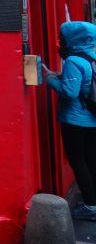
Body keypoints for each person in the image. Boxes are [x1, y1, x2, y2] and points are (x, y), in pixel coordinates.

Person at [45, 21, 96, 220]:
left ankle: (91, 206)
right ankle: (93, 200)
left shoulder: (74, 60)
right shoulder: (92, 56)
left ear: (73, 39)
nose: (60, 41)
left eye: (62, 37)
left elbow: (69, 92)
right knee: (91, 160)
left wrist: (50, 79)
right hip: (92, 118)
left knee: (78, 162)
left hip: (75, 120)